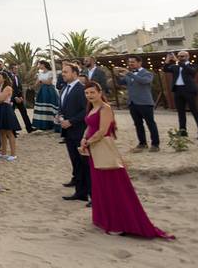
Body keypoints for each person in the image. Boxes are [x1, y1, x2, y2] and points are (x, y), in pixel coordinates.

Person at [81, 82, 173, 238]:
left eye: (92, 92)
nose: (89, 95)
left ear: (99, 92)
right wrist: (84, 138)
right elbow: (89, 126)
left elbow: (102, 131)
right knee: (100, 185)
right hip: (94, 150)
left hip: (104, 149)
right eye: (87, 93)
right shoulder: (92, 108)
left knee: (113, 185)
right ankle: (104, 219)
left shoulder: (106, 108)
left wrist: (88, 142)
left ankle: (120, 222)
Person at [58, 63, 90, 203]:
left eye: (66, 72)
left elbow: (86, 110)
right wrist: (59, 116)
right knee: (76, 163)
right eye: (62, 72)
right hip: (68, 133)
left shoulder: (81, 89)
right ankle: (80, 192)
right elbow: (63, 107)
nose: (63, 74)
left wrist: (71, 121)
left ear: (75, 73)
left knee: (85, 164)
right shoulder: (64, 88)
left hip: (79, 131)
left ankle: (92, 194)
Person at [116, 55, 160, 152]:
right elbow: (122, 83)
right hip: (132, 103)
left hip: (145, 103)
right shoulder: (129, 74)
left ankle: (155, 144)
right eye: (129, 62)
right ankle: (142, 143)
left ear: (139, 63)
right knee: (138, 124)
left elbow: (144, 81)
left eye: (133, 62)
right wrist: (118, 75)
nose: (130, 64)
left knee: (150, 123)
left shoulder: (147, 73)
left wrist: (130, 74)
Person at [163, 50, 198, 139]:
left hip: (189, 91)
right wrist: (167, 60)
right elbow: (165, 69)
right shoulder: (175, 67)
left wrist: (177, 61)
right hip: (178, 90)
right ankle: (183, 132)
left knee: (195, 112)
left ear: (188, 56)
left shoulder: (193, 66)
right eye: (179, 56)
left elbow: (191, 72)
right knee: (181, 113)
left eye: (182, 56)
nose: (180, 58)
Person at [0, 72, 20, 161]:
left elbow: (1, 99)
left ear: (4, 78)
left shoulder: (8, 88)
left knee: (9, 132)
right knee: (1, 131)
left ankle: (13, 154)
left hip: (5, 109)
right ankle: (3, 152)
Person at [32, 61, 60, 131]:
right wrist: (34, 85)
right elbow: (36, 83)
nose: (39, 66)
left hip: (49, 91)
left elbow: (49, 82)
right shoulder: (40, 74)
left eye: (40, 64)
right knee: (41, 107)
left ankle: (51, 124)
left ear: (44, 65)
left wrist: (41, 81)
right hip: (42, 91)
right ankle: (42, 125)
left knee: (50, 106)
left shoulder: (50, 73)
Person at [7, 63, 35, 133]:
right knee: (12, 115)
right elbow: (10, 88)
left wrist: (21, 97)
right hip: (12, 99)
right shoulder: (8, 77)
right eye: (15, 68)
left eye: (17, 68)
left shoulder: (17, 77)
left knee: (24, 113)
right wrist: (15, 97)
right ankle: (13, 131)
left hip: (20, 98)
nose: (16, 70)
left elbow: (20, 88)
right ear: (11, 69)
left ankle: (29, 128)